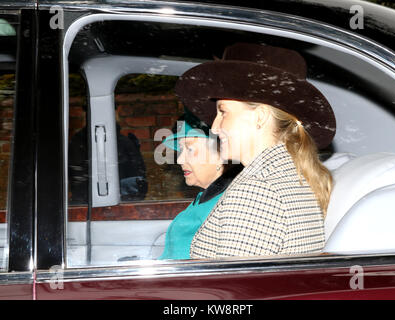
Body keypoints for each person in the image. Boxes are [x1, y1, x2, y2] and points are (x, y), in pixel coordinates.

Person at [174, 43, 336, 258]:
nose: (214, 127)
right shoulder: (290, 174)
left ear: (260, 117)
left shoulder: (256, 190)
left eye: (223, 112)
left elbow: (233, 288)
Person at [158, 111, 242, 260]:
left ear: (221, 154)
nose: (180, 159)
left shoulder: (229, 206)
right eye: (181, 149)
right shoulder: (206, 197)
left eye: (189, 149)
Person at [68, 104, 148, 204]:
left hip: (120, 202)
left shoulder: (125, 142)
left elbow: (138, 179)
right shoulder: (78, 142)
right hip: (88, 203)